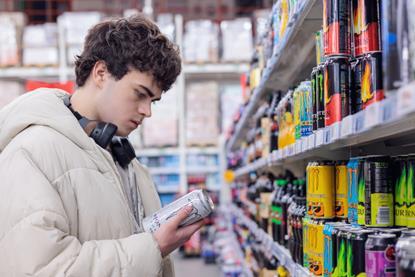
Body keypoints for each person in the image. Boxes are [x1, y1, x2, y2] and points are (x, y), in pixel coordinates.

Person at [0, 14, 204, 276]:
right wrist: (152, 247)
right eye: (139, 94)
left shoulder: (120, 156)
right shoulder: (30, 153)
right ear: (101, 73)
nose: (146, 111)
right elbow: (43, 268)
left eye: (153, 101)